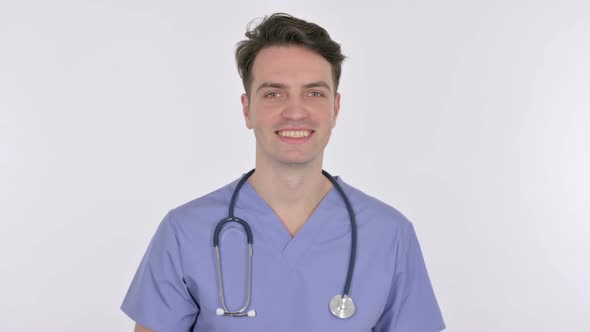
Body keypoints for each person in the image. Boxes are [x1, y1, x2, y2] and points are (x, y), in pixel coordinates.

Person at [121, 13, 445, 332]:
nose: (294, 111)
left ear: (335, 109)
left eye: (314, 93)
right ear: (247, 109)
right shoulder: (184, 233)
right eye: (274, 93)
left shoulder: (389, 236)